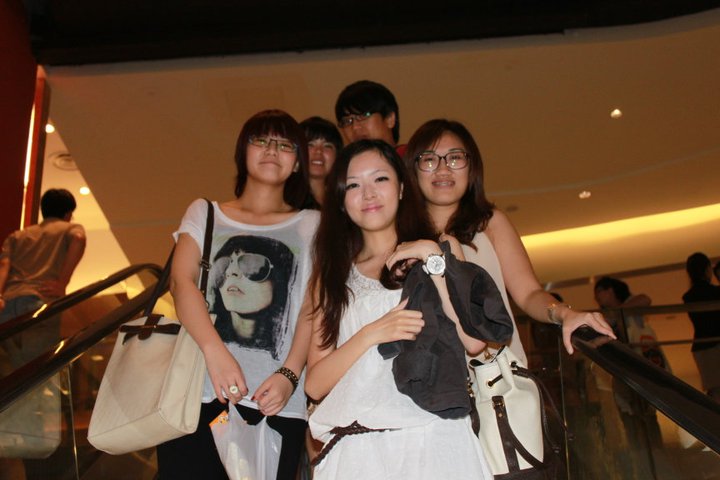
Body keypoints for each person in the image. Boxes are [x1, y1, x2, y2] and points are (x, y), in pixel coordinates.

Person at [305, 139, 493, 479]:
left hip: (435, 439)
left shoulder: (441, 248)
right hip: (358, 450)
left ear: (402, 187)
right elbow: (315, 385)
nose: (368, 193)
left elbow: (474, 341)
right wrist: (370, 334)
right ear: (341, 201)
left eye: (380, 179)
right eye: (353, 185)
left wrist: (432, 258)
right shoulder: (332, 275)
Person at [159, 109, 319, 480]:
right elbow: (181, 282)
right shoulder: (205, 213)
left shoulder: (313, 224)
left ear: (298, 163)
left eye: (285, 145)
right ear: (242, 152)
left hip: (275, 402)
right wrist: (215, 352)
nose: (272, 150)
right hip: (196, 395)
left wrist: (290, 374)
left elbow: (314, 306)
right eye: (260, 140)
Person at [403, 119, 615, 361]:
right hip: (428, 375)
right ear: (414, 169)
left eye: (455, 158)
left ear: (471, 167)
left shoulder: (490, 224)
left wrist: (563, 313)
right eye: (429, 159)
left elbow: (529, 294)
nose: (443, 169)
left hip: (495, 370)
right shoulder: (402, 238)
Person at [682, 252, 720, 400]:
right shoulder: (715, 292)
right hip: (716, 342)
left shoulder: (688, 297)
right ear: (707, 269)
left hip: (701, 345)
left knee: (714, 388)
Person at [334, 80, 406, 156]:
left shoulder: (410, 159)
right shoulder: (344, 163)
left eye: (364, 115)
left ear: (390, 118)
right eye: (347, 121)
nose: (355, 127)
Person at [299, 116, 343, 208]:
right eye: (310, 144)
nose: (318, 151)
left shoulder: (344, 200)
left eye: (327, 146)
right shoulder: (284, 202)